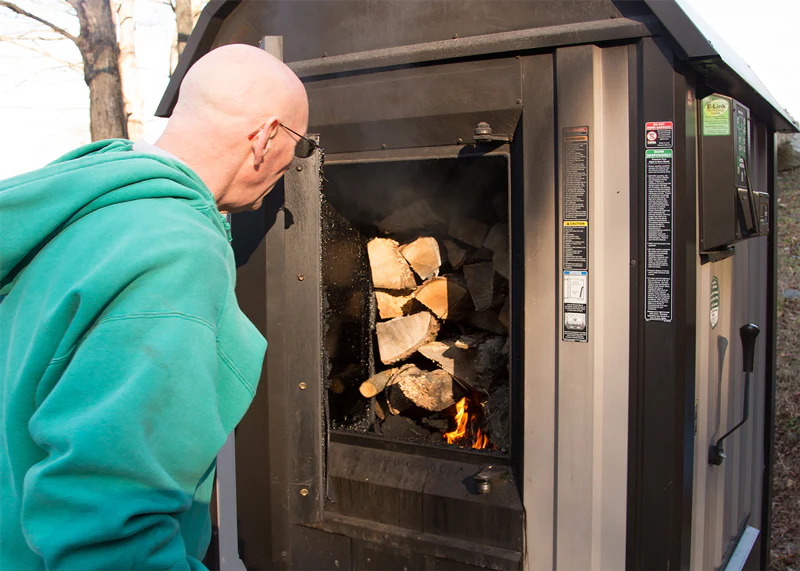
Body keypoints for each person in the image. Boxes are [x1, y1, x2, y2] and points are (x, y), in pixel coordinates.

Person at [0, 44, 309, 570]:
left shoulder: (92, 206)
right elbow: (108, 518)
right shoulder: (176, 252)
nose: (292, 163)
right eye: (299, 145)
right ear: (265, 137)